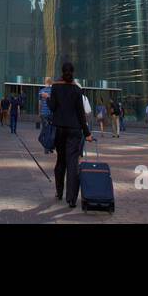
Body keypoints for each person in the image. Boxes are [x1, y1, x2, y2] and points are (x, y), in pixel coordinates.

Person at [48, 61, 92, 208]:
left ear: (62, 71)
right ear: (72, 72)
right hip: (74, 130)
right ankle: (71, 199)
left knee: (61, 161)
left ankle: (59, 192)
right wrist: (87, 134)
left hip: (59, 129)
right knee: (72, 163)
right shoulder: (76, 89)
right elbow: (81, 114)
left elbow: (53, 108)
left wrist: (47, 99)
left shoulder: (55, 87)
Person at [38, 77, 56, 154]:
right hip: (52, 113)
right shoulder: (54, 91)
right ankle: (50, 147)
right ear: (51, 82)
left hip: (44, 113)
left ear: (45, 82)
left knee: (45, 130)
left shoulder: (41, 91)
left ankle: (47, 147)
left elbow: (40, 103)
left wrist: (39, 112)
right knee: (51, 130)